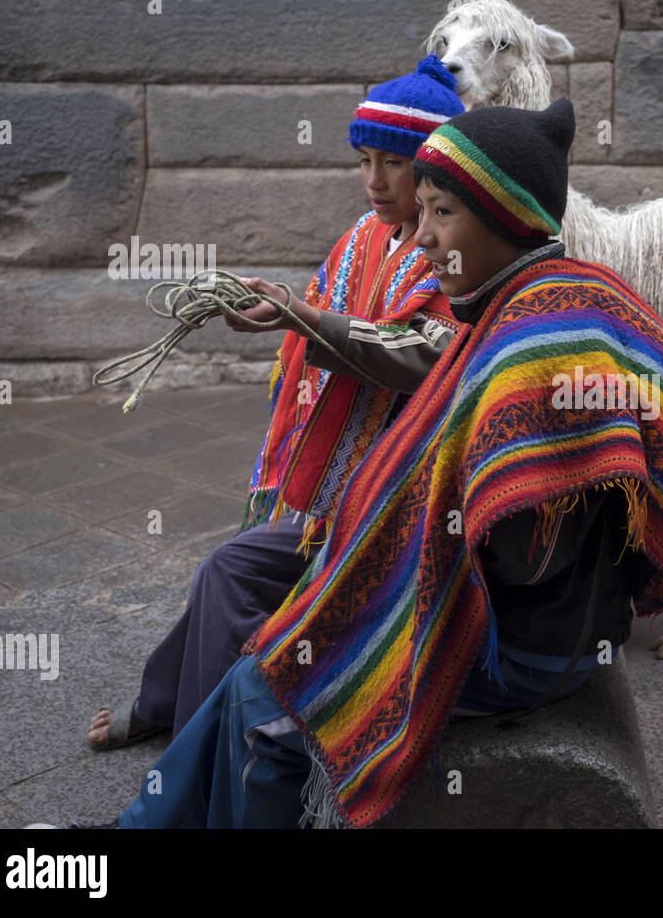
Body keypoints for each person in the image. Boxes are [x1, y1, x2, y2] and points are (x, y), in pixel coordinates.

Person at [109, 97, 663, 828]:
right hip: (510, 609)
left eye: (440, 212)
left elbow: (524, 562)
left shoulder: (537, 348)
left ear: (506, 218)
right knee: (261, 648)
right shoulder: (533, 299)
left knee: (279, 694)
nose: (419, 237)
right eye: (417, 212)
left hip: (525, 643)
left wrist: (390, 553)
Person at [86, 55, 465, 749]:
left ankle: (190, 758)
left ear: (437, 173)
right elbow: (323, 311)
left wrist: (300, 317)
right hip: (342, 493)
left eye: (395, 163)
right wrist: (277, 312)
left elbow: (419, 356)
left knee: (232, 574)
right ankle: (168, 707)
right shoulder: (365, 237)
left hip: (395, 503)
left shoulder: (451, 257)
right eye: (365, 160)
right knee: (227, 568)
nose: (375, 180)